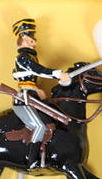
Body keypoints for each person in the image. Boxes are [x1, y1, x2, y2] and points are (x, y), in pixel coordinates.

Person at [10, 18, 71, 166]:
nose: (34, 42)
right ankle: (32, 160)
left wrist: (37, 90)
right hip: (24, 98)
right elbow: (38, 70)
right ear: (23, 40)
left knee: (52, 119)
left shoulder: (30, 57)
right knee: (39, 126)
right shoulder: (23, 58)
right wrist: (58, 74)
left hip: (32, 94)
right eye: (31, 39)